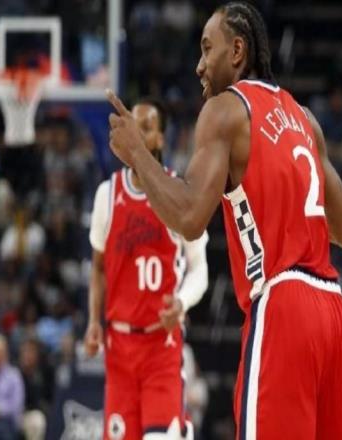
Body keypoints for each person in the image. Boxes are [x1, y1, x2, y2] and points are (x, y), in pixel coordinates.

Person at [107, 2, 342, 439]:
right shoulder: (305, 118)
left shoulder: (225, 109)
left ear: (237, 51)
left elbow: (189, 218)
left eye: (207, 49)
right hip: (333, 310)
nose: (199, 66)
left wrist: (138, 155)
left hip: (284, 304)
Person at [84, 97, 209, 440]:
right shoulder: (107, 195)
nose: (138, 135)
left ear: (160, 138)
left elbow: (200, 270)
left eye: (147, 128)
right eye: (133, 128)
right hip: (119, 348)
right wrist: (93, 321)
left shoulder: (179, 194)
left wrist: (181, 302)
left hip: (161, 345)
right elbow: (98, 268)